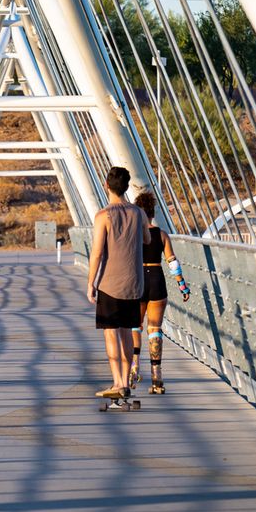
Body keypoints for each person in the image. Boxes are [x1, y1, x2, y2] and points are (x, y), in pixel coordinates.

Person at [86, 167, 151, 398]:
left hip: (109, 284)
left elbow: (96, 253)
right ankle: (125, 381)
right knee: (126, 332)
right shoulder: (139, 213)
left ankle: (118, 383)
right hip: (134, 283)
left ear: (106, 185)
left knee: (111, 333)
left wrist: (91, 283)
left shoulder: (103, 216)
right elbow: (146, 239)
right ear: (126, 187)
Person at [130, 190, 190, 394]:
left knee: (134, 325)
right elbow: (172, 262)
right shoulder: (162, 235)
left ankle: (134, 366)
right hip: (156, 278)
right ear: (153, 212)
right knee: (154, 328)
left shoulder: (133, 234)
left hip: (137, 280)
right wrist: (182, 285)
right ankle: (157, 379)